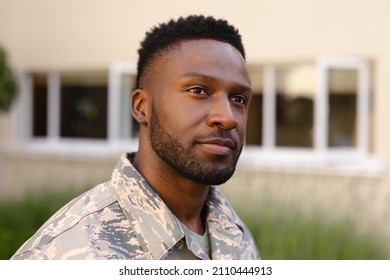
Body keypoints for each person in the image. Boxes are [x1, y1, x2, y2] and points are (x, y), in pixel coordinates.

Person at [11, 15, 260, 260]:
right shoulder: (63, 254)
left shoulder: (236, 237)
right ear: (142, 107)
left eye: (238, 99)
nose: (228, 118)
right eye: (198, 90)